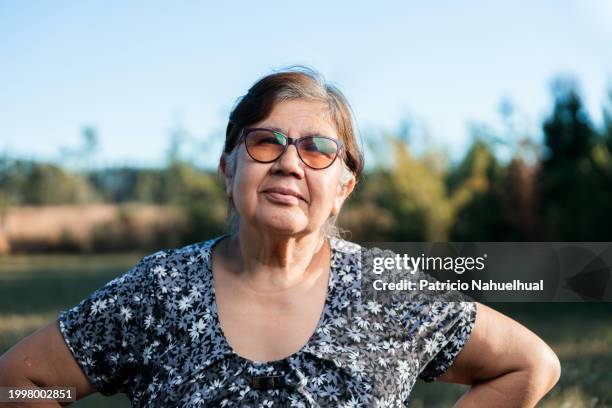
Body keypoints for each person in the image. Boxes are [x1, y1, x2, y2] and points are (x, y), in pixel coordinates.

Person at [0, 67, 560, 407]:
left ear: (344, 185)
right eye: (266, 141)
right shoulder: (159, 290)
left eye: (318, 148)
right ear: (228, 166)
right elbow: (20, 384)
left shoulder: (385, 288)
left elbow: (530, 365)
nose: (290, 162)